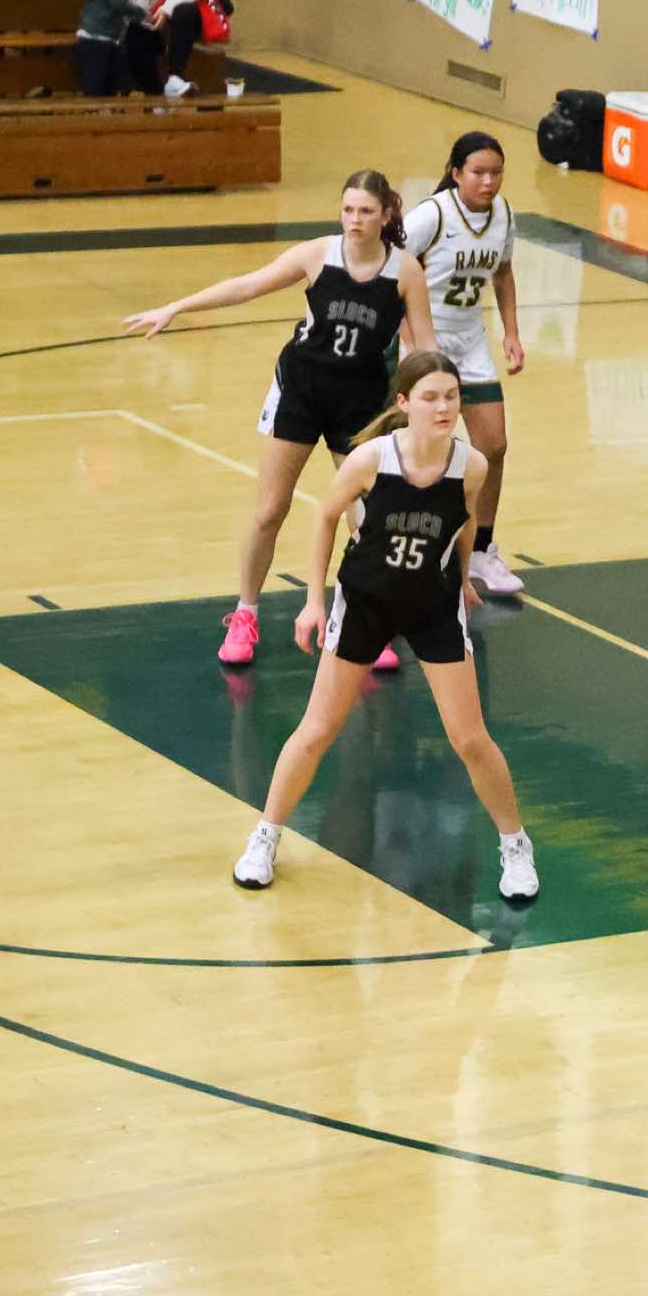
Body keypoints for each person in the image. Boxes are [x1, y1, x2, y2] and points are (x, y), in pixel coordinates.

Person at [230, 352, 538, 902]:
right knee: (317, 730)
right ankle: (265, 836)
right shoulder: (372, 459)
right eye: (430, 397)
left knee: (470, 739)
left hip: (432, 605)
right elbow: (325, 515)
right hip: (365, 603)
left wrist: (464, 576)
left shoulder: (471, 466)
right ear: (404, 403)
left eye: (451, 397)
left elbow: (465, 520)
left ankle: (516, 847)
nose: (443, 407)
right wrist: (313, 600)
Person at [124, 170, 437, 670]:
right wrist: (178, 307)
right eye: (348, 210)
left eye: (365, 211)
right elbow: (248, 285)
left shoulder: (405, 271)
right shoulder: (318, 255)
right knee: (270, 509)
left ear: (385, 214)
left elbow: (425, 344)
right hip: (301, 392)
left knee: (367, 517)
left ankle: (364, 620)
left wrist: (434, 402)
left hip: (361, 403)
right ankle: (245, 614)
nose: (354, 220)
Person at [401, 131, 527, 596]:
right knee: (424, 450)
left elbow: (503, 273)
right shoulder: (431, 215)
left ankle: (482, 551)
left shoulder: (504, 214)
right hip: (426, 337)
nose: (488, 182)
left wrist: (511, 332)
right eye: (478, 172)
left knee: (493, 445)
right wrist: (412, 340)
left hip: (470, 340)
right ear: (456, 174)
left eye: (496, 173)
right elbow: (392, 272)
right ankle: (416, 548)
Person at [125, 0, 227, 98]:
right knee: (135, 33)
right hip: (157, 10)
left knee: (183, 12)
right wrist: (145, 13)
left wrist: (167, 9)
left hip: (193, 6)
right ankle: (155, 97)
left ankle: (175, 76)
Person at [75, 0, 152, 97]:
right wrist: (143, 15)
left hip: (109, 39)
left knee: (110, 84)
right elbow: (120, 4)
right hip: (95, 40)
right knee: (96, 84)